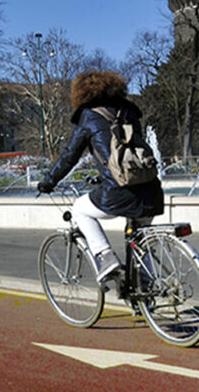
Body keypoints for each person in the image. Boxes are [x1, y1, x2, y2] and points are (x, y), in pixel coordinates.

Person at [36, 70, 164, 283]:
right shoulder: (130, 111)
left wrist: (49, 181)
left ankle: (105, 256)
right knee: (139, 238)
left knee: (79, 209)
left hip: (118, 192)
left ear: (82, 93)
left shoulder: (88, 116)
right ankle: (147, 285)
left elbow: (70, 155)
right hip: (151, 190)